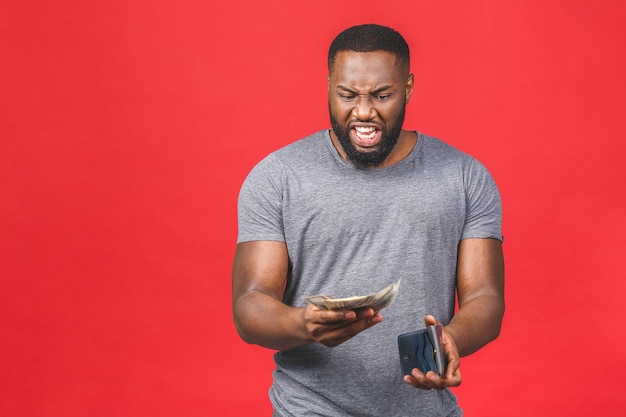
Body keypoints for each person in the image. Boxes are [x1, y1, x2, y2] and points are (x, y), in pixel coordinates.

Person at [232, 23, 504, 416]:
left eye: (382, 95)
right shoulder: (278, 176)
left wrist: (451, 338)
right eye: (347, 94)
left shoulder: (464, 177)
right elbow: (249, 305)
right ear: (329, 85)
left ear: (407, 88)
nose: (363, 112)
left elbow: (485, 298)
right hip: (309, 408)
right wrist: (301, 323)